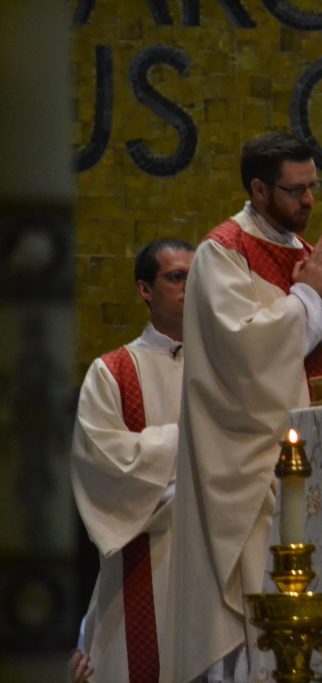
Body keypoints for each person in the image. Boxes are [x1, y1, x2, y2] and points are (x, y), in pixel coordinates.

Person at [166, 132, 322, 682]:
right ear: (258, 188)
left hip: (315, 453)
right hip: (251, 468)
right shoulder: (222, 253)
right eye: (295, 189)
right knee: (258, 615)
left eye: (313, 186)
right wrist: (307, 298)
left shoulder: (302, 255)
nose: (308, 201)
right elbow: (244, 356)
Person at [70, 238, 194, 683]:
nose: (189, 286)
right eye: (176, 277)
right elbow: (104, 463)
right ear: (145, 290)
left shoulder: (228, 367)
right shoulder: (112, 372)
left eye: (195, 276)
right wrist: (194, 447)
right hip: (143, 563)